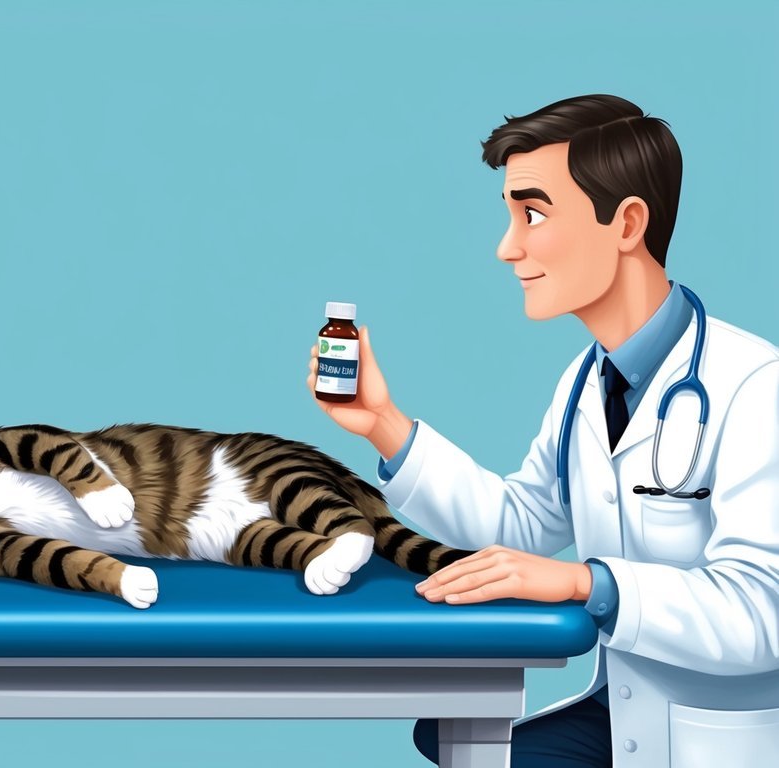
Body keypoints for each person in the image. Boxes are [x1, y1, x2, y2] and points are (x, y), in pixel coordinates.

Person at [309, 94, 779, 766]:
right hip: (621, 714)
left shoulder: (754, 385)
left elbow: (763, 612)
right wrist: (383, 424)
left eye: (532, 214)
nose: (506, 248)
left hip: (716, 737)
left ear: (627, 223)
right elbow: (522, 526)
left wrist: (587, 584)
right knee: (449, 740)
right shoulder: (585, 382)